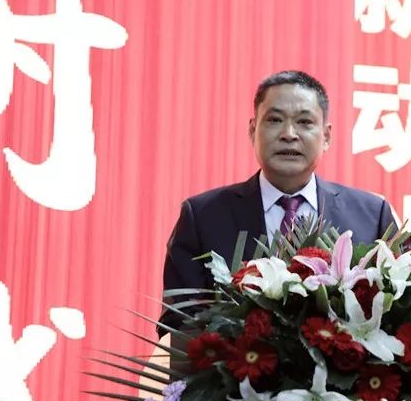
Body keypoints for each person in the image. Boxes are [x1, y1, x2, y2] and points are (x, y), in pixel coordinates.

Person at [158, 70, 396, 335]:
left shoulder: (372, 216)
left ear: (326, 136)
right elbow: (179, 324)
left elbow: (401, 315)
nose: (289, 134)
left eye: (304, 122)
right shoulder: (203, 217)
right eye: (274, 120)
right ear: (253, 130)